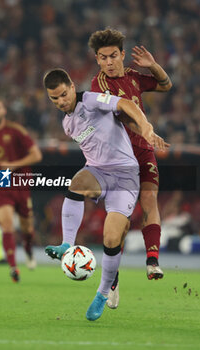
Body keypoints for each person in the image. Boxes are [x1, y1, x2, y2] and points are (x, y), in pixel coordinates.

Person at [43, 68, 168, 321]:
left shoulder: (90, 100)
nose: (61, 102)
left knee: (112, 239)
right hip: (98, 172)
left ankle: (102, 293)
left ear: (71, 86)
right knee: (77, 181)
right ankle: (67, 245)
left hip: (125, 176)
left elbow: (122, 103)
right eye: (54, 99)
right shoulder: (67, 123)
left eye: (64, 94)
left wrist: (145, 126)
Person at [88, 28, 172, 308]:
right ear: (97, 60)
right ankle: (113, 277)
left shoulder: (134, 77)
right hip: (118, 156)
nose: (109, 62)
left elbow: (165, 85)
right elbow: (121, 116)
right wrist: (146, 130)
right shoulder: (98, 85)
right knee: (120, 223)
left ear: (122, 55)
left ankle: (152, 260)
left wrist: (154, 65)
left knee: (149, 198)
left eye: (113, 56)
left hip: (144, 148)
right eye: (103, 58)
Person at [0, 96, 42, 282]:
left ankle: (28, 250)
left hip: (20, 180)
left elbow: (36, 155)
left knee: (26, 228)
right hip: (1, 179)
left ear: (4, 111)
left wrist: (14, 165)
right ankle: (13, 267)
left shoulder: (16, 131)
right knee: (6, 225)